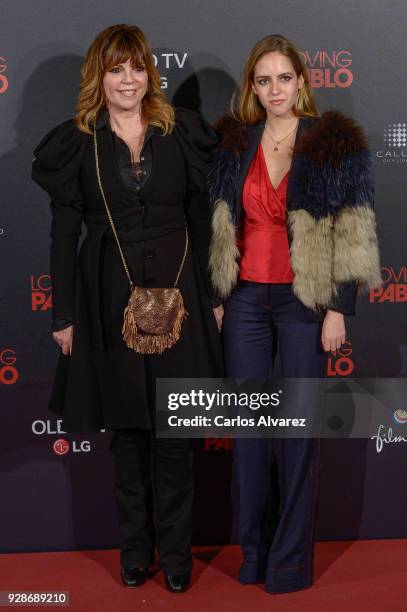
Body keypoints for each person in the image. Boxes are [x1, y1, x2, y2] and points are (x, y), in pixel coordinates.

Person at [32, 24, 223, 593]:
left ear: (149, 75)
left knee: (175, 432)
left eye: (136, 68)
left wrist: (212, 294)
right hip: (108, 297)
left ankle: (180, 558)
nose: (128, 80)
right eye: (116, 69)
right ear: (100, 76)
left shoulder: (180, 131)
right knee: (131, 434)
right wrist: (62, 314)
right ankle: (136, 552)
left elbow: (201, 220)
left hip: (181, 294)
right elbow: (64, 235)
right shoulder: (77, 141)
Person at [208, 34, 381, 594]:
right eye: (264, 80)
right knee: (252, 436)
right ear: (252, 87)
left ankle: (288, 564)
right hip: (244, 304)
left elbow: (353, 228)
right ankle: (254, 555)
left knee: (299, 434)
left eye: (284, 78)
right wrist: (217, 293)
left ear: (302, 82)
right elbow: (216, 221)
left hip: (305, 303)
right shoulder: (233, 142)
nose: (275, 89)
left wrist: (339, 309)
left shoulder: (332, 142)